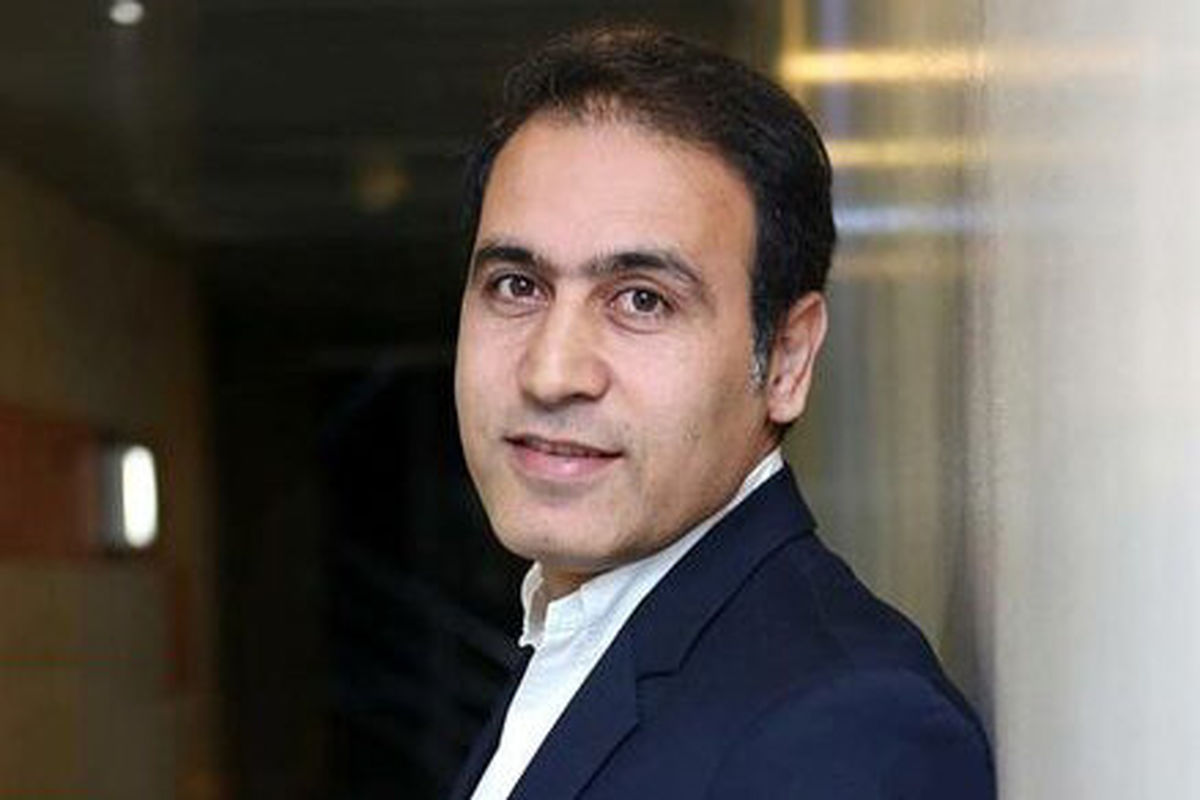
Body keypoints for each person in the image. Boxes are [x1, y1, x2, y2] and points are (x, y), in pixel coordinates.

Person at [449, 25, 994, 800]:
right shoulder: (578, 633)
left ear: (788, 359)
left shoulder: (849, 733)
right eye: (517, 286)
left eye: (642, 300)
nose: (551, 372)